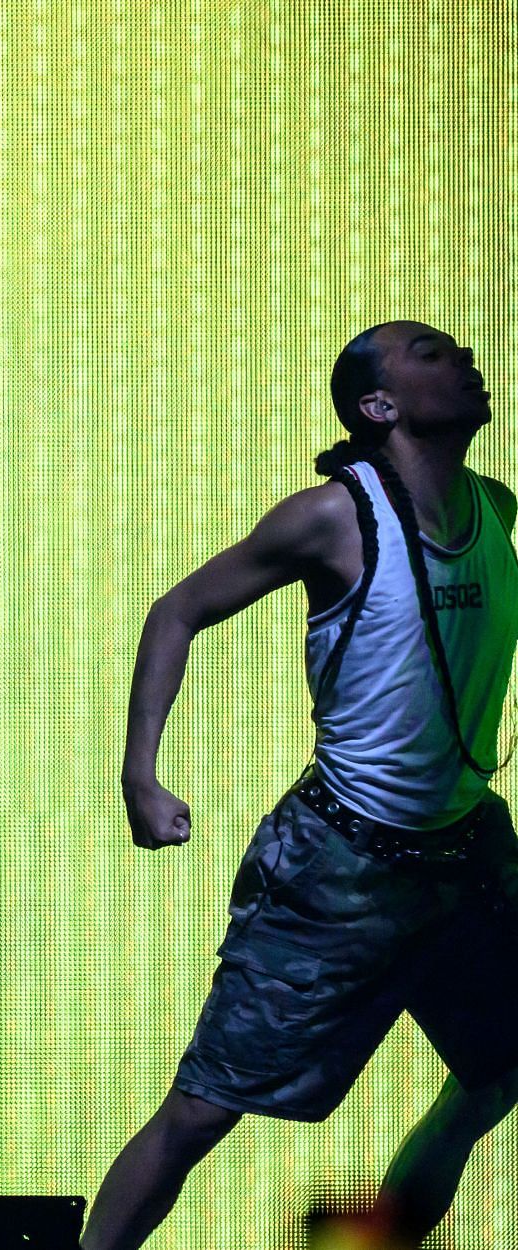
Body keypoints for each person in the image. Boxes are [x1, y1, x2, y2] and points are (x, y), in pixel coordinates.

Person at [81, 321, 518, 1250]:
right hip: (342, 865)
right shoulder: (333, 517)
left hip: (463, 852)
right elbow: (179, 609)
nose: (465, 359)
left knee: (501, 1069)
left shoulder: (496, 509)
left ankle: (384, 1243)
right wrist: (139, 774)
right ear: (379, 405)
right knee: (204, 1110)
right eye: (433, 354)